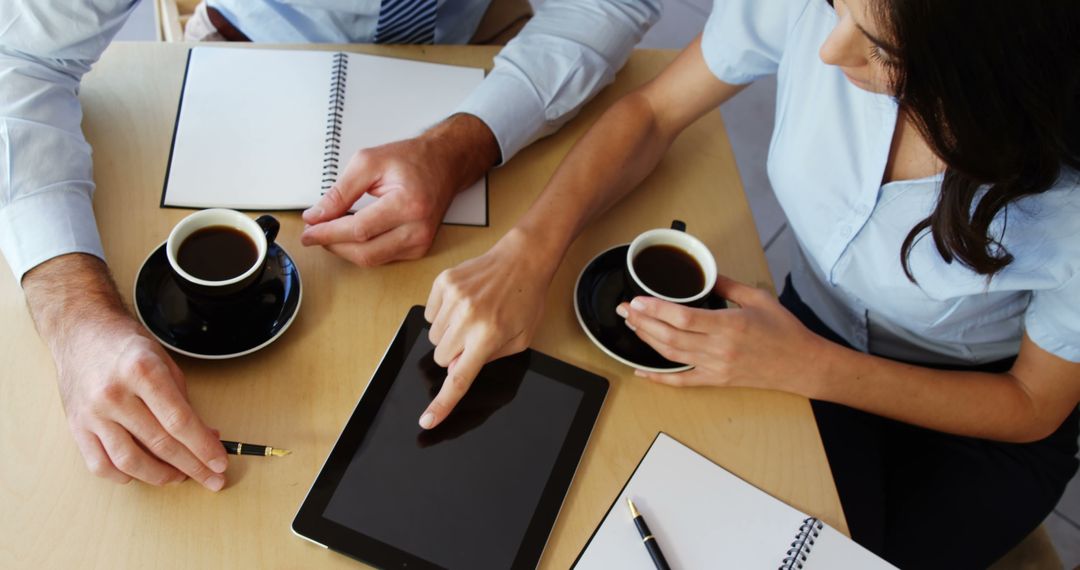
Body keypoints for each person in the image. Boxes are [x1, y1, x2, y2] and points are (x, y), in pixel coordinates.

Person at [423, 0, 1080, 566]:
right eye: (835, 6)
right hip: (799, 339)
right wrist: (529, 249)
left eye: (881, 47)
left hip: (978, 425)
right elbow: (654, 112)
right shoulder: (822, 20)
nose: (828, 50)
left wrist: (809, 367)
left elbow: (1032, 403)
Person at [0, 0, 657, 492]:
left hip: (481, 53)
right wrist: (76, 315)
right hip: (242, 46)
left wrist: (467, 142)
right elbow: (19, 56)